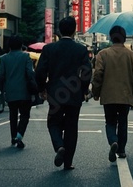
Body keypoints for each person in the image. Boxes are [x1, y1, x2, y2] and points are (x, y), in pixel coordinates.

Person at [35, 16, 92, 170]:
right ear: (74, 30)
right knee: (72, 126)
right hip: (74, 93)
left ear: (59, 31)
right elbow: (87, 72)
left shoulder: (49, 49)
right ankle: (68, 162)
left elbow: (40, 71)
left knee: (53, 122)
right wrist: (84, 89)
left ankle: (59, 146)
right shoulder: (80, 49)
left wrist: (42, 89)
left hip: (55, 92)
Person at [91, 26, 133, 161]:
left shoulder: (103, 54)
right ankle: (122, 150)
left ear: (111, 38)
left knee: (110, 121)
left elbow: (98, 74)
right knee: (123, 122)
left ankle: (113, 141)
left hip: (108, 95)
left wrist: (95, 92)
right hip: (126, 95)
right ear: (124, 38)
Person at [0, 35, 37, 149]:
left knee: (13, 115)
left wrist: (3, 90)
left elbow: (1, 76)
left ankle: (13, 137)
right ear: (21, 45)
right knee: (25, 115)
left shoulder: (3, 58)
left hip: (10, 91)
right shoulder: (26, 57)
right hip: (24, 91)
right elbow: (30, 73)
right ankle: (19, 135)